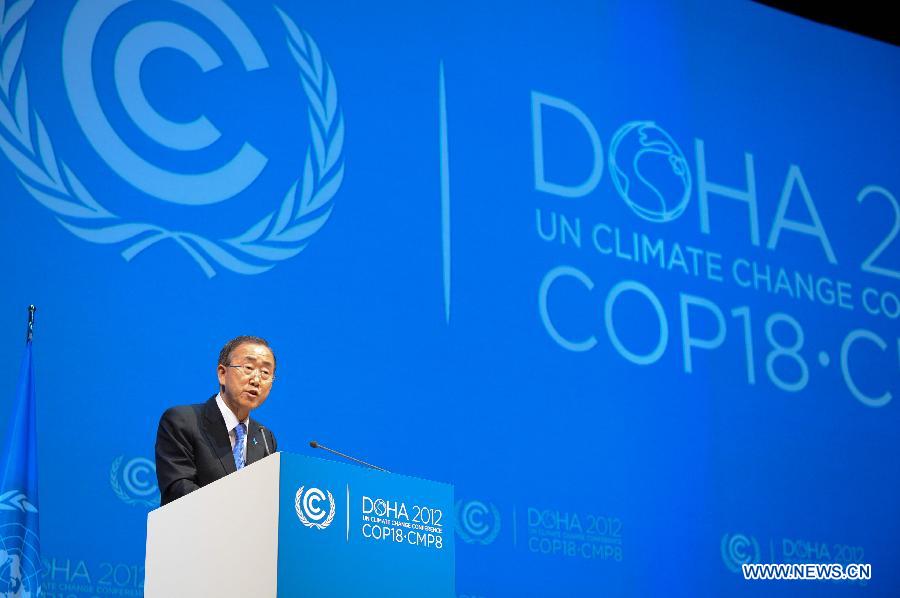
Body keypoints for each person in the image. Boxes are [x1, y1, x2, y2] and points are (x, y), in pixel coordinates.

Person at [155, 335, 278, 505]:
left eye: (265, 373)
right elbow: (178, 490)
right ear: (222, 373)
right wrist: (237, 513)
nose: (256, 380)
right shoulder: (182, 421)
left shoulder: (265, 438)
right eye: (248, 367)